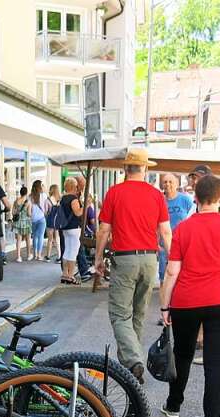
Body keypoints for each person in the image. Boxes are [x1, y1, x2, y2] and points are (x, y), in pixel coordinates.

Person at [158, 174, 220, 417]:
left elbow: (171, 272)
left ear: (195, 197)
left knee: (183, 354)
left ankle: (173, 405)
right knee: (216, 364)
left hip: (186, 302)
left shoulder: (184, 230)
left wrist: (165, 305)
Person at [93, 147, 172, 382]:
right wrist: (175, 260)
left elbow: (104, 230)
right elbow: (166, 232)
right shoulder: (156, 195)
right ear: (145, 168)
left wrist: (98, 258)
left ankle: (133, 361)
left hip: (124, 258)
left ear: (125, 168)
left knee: (119, 315)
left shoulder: (115, 193)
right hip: (149, 259)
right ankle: (132, 370)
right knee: (138, 313)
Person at [159, 173, 193, 281]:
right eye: (165, 182)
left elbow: (193, 219)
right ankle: (164, 298)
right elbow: (153, 223)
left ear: (177, 184)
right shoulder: (159, 200)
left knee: (181, 276)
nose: (167, 184)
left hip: (182, 244)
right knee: (164, 277)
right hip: (164, 244)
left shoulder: (185, 200)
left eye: (170, 182)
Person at [57, 177, 83, 285]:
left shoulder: (63, 198)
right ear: (74, 186)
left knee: (67, 250)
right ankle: (71, 275)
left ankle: (64, 274)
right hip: (74, 227)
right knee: (73, 251)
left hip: (65, 228)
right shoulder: (73, 199)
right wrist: (85, 206)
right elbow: (78, 213)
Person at [12, 185, 32, 263]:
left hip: (17, 222)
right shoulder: (28, 202)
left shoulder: (16, 201)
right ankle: (28, 255)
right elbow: (29, 214)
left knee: (18, 240)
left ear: (20, 193)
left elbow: (13, 212)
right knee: (28, 239)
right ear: (26, 193)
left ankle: (18, 257)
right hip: (26, 222)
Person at [29, 180, 47, 261]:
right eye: (42, 185)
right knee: (41, 237)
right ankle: (39, 255)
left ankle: (35, 254)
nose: (43, 186)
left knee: (35, 237)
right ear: (39, 187)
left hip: (33, 219)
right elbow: (46, 207)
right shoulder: (43, 195)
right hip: (41, 218)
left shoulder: (30, 196)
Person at [44, 183, 61, 261]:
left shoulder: (47, 200)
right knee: (57, 238)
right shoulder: (59, 200)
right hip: (57, 221)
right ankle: (59, 256)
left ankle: (48, 256)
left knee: (50, 239)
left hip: (50, 221)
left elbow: (45, 212)